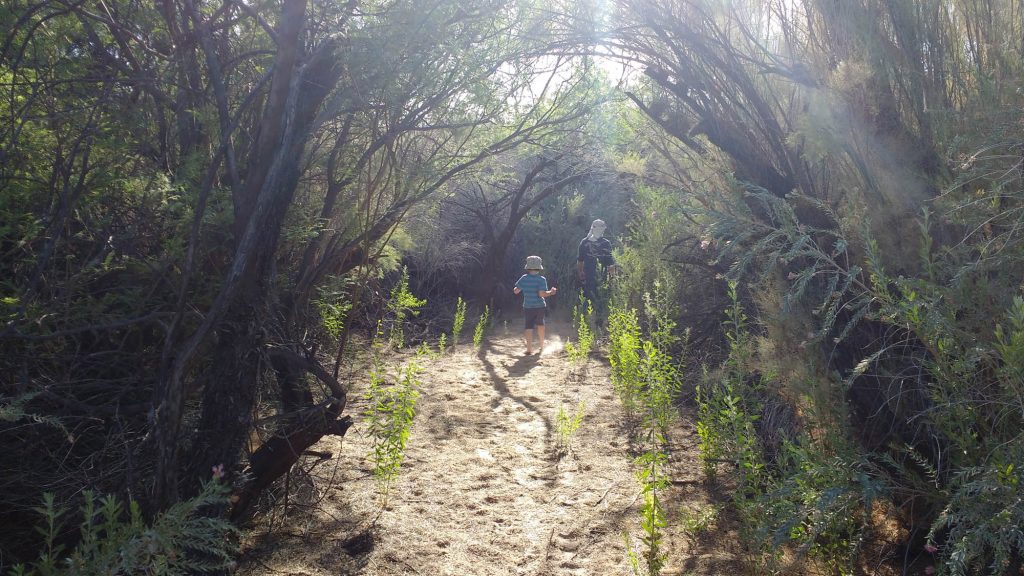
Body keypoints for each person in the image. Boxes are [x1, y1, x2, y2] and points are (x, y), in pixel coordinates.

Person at [513, 255, 557, 355]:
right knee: (540, 324)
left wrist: (521, 287)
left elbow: (516, 291)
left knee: (528, 326)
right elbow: (541, 294)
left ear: (528, 267)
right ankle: (541, 346)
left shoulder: (524, 278)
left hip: (528, 306)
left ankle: (529, 349)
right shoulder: (541, 279)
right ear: (539, 267)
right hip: (539, 306)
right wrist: (551, 292)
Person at [576, 219, 616, 323]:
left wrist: (611, 277)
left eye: (601, 227)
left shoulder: (605, 243)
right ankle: (587, 322)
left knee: (599, 300)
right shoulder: (585, 242)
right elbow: (580, 260)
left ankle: (597, 323)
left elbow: (610, 262)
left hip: (601, 276)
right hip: (589, 276)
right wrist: (580, 273)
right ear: (593, 228)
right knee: (589, 299)